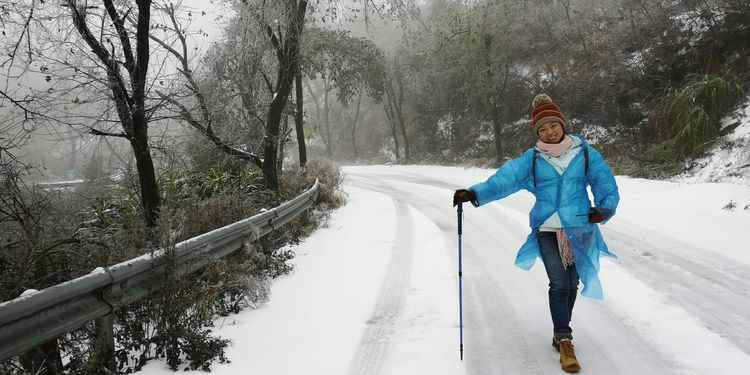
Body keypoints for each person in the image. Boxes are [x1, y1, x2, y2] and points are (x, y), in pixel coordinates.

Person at [452, 94, 619, 373]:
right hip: (546, 230)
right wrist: (473, 193)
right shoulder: (532, 159)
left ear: (562, 125)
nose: (549, 132)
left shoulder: (586, 152)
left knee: (572, 283)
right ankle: (565, 339)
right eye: (542, 129)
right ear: (537, 132)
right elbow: (504, 180)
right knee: (559, 283)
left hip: (579, 228)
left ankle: (559, 332)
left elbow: (605, 182)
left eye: (552, 125)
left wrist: (605, 208)